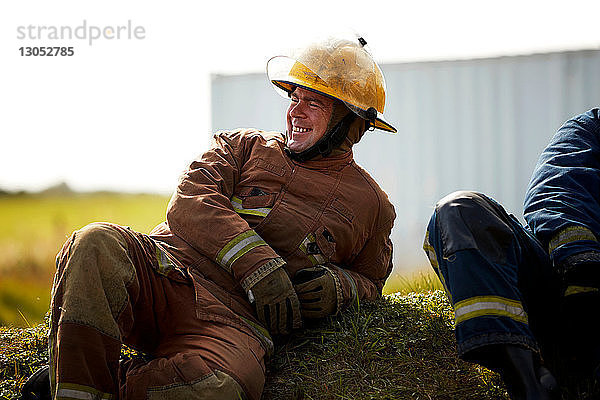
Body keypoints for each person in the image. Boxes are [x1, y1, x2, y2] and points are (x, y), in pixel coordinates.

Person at [21, 36, 397, 400]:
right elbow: (190, 199)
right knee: (94, 242)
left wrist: (340, 287)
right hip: (166, 275)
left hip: (233, 325)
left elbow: (370, 278)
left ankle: (99, 378)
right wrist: (258, 264)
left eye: (313, 103)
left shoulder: (373, 206)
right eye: (294, 97)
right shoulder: (242, 145)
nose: (295, 111)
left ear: (351, 123)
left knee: (219, 389)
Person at [423, 108, 600, 399]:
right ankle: (526, 379)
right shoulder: (590, 128)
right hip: (569, 296)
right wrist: (583, 266)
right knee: (460, 211)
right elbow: (556, 193)